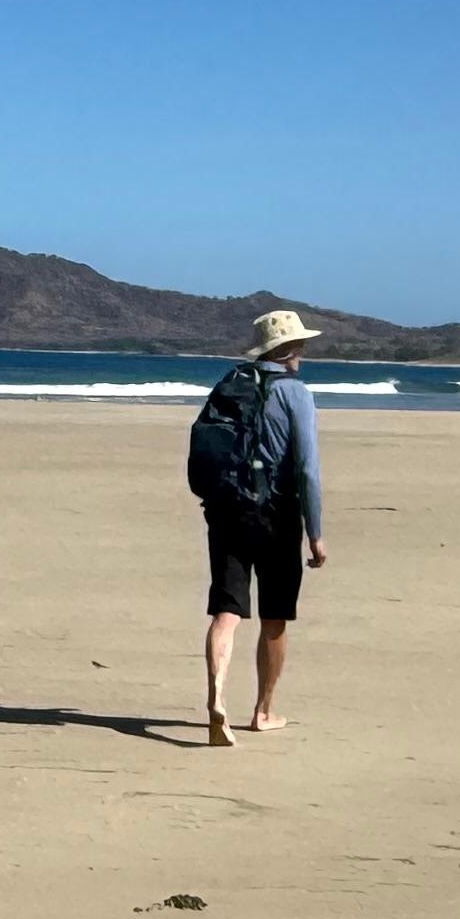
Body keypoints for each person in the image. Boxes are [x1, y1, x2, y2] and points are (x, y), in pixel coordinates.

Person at [197, 307, 327, 747]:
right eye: (302, 346)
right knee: (274, 617)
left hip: (228, 508)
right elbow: (307, 468)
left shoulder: (233, 385)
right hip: (276, 514)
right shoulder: (297, 394)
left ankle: (217, 698)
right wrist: (316, 531)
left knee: (227, 611)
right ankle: (264, 711)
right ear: (291, 349)